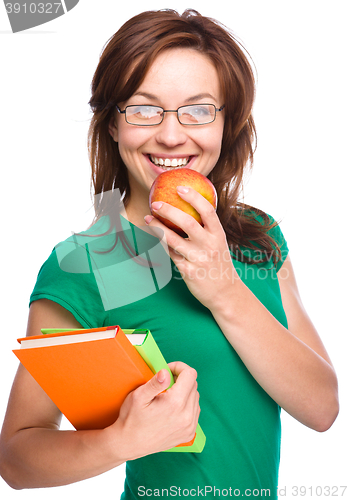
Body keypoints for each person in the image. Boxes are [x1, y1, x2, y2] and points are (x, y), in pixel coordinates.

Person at [0, 8, 339, 498]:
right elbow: (17, 457)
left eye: (198, 110)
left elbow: (322, 408)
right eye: (143, 108)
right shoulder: (87, 265)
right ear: (112, 125)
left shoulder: (257, 236)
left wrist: (225, 291)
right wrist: (121, 440)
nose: (172, 135)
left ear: (227, 123)